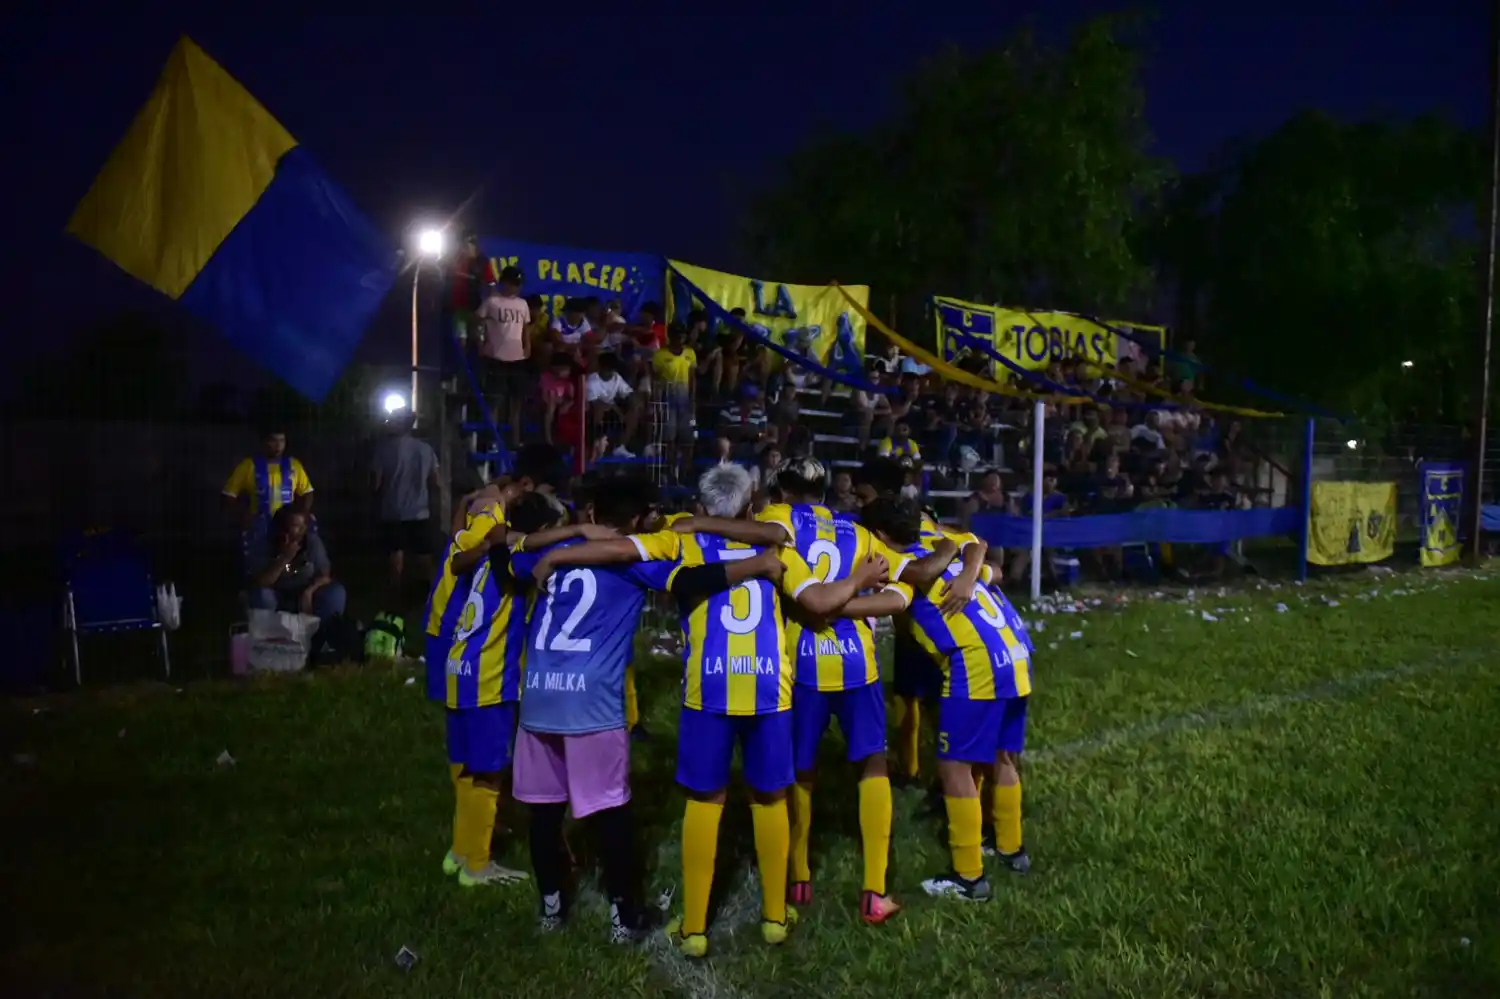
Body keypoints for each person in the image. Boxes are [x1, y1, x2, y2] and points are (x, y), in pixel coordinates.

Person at [534, 463, 890, 958]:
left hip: (710, 686)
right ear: (750, 506)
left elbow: (619, 548)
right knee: (770, 798)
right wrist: (860, 579)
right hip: (770, 686)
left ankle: (696, 927)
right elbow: (823, 599)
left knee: (705, 801)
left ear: (701, 507)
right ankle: (773, 918)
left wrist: (558, 557)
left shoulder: (683, 538)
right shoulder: (775, 546)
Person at [512, 480, 771, 943]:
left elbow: (504, 556)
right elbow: (689, 581)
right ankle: (625, 917)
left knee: (545, 812)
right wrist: (758, 566)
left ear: (592, 511)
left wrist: (561, 538)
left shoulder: (569, 544)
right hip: (590, 701)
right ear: (637, 521)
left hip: (537, 695)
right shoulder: (632, 558)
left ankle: (550, 909)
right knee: (612, 812)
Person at [748, 457, 955, 924]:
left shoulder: (776, 521)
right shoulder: (857, 529)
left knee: (801, 770)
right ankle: (875, 889)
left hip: (801, 664)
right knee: (872, 765)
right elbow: (910, 582)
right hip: (859, 664)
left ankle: (798, 876)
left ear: (782, 490)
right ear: (824, 492)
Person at [861, 497, 1034, 901]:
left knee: (955, 766)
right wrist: (968, 567)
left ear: (882, 534)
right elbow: (979, 547)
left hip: (975, 662)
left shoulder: (897, 554)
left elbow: (922, 571)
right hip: (1015, 651)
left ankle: (969, 878)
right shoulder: (941, 536)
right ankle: (1011, 849)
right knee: (1001, 756)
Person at [244, 507, 346, 658]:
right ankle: (270, 644)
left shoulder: (311, 543)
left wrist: (309, 592)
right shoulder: (266, 544)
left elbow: (325, 575)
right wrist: (284, 558)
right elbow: (261, 582)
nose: (298, 531)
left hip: (304, 598)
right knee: (261, 596)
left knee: (336, 593)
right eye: (293, 526)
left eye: (301, 526)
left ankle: (321, 642)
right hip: (277, 597)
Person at [371, 409, 440, 604]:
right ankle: (429, 594)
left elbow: (376, 483)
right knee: (423, 555)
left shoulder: (384, 450)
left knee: (396, 554)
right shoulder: (426, 449)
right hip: (420, 511)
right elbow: (436, 480)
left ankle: (395, 595)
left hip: (393, 510)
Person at [222, 424, 314, 541]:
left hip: (287, 526)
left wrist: (303, 513)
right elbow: (228, 495)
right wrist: (243, 515)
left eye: (282, 441)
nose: (278, 445)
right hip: (259, 525)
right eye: (273, 441)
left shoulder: (294, 465)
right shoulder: (248, 466)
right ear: (264, 442)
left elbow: (308, 492)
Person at [476, 266, 532, 449]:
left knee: (517, 401)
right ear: (504, 282)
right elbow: (477, 323)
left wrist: (527, 346)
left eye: (518, 285)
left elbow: (526, 328)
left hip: (518, 357)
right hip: (496, 356)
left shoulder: (523, 304)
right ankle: (492, 439)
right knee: (495, 399)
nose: (515, 288)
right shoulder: (492, 301)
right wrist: (481, 343)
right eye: (512, 283)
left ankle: (515, 440)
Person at [652, 323, 699, 481]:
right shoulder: (660, 355)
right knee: (669, 437)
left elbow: (693, 378)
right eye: (677, 334)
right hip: (668, 398)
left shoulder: (690, 353)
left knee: (688, 438)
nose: (680, 338)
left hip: (685, 398)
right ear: (670, 335)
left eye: (682, 335)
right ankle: (671, 470)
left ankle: (686, 472)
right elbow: (656, 379)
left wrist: (692, 399)